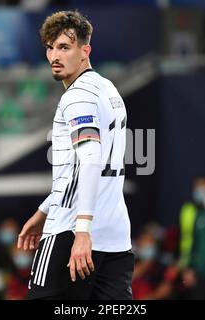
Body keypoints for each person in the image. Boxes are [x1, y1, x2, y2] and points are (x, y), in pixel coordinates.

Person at [17, 10, 133, 300]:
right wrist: (44, 209)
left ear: (85, 51)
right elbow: (80, 169)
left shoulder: (77, 96)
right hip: (115, 237)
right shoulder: (108, 89)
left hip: (72, 232)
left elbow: (91, 158)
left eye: (64, 47)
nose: (55, 56)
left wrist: (82, 231)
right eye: (50, 47)